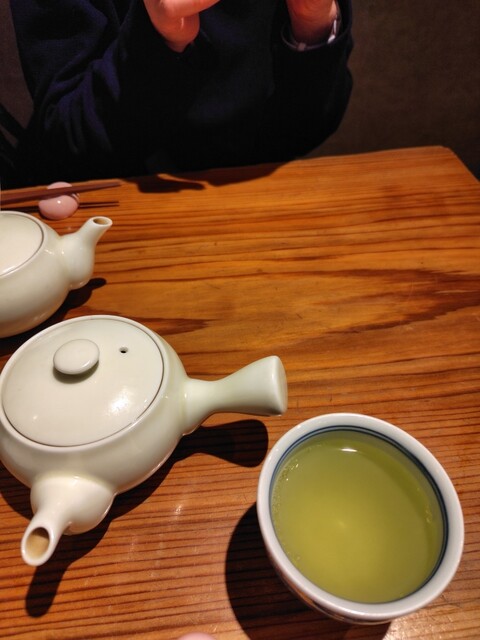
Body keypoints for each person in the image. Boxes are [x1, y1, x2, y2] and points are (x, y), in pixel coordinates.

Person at [9, 0, 352, 186]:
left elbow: (309, 127)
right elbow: (68, 146)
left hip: (264, 196)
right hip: (118, 214)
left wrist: (312, 19)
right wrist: (159, 38)